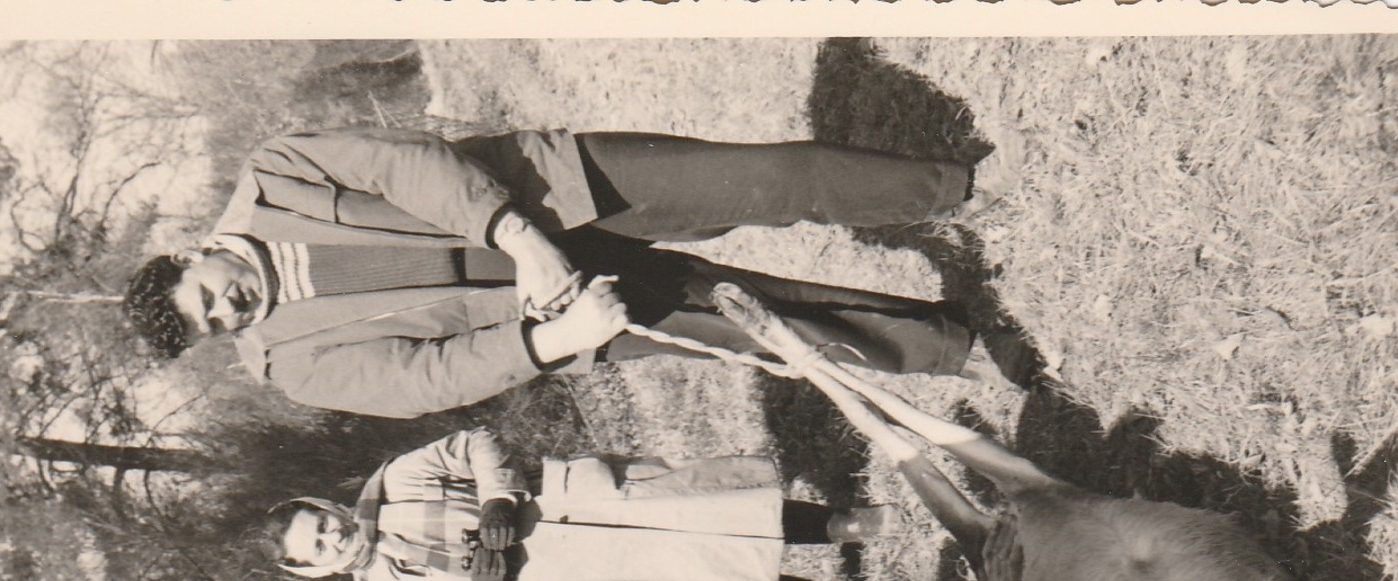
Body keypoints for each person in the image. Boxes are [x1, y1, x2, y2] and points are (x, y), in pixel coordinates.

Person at [121, 127, 1023, 418]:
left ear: (193, 252)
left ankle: (952, 189)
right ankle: (960, 345)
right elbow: (423, 380)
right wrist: (553, 336)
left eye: (208, 298)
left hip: (557, 192)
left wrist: (515, 232)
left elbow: (408, 166)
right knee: (761, 325)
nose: (228, 312)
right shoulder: (285, 364)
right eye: (214, 329)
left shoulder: (276, 170)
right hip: (566, 315)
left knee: (766, 177)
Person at [268, 426, 889, 581]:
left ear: (328, 506)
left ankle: (844, 525)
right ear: (314, 573)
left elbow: (477, 442)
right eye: (318, 548)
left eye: (322, 523)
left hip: (580, 510)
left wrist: (495, 502)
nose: (334, 537)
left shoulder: (399, 480)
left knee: (717, 517)